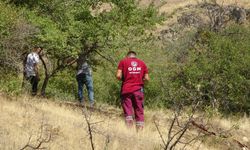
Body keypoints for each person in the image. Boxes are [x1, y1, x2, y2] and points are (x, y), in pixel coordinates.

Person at [116, 50, 149, 131]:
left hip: (126, 89)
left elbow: (118, 76)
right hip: (138, 89)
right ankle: (140, 131)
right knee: (139, 110)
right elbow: (147, 78)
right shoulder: (142, 63)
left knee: (128, 110)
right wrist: (141, 81)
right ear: (135, 56)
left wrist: (124, 79)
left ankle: (129, 130)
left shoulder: (123, 61)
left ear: (128, 56)